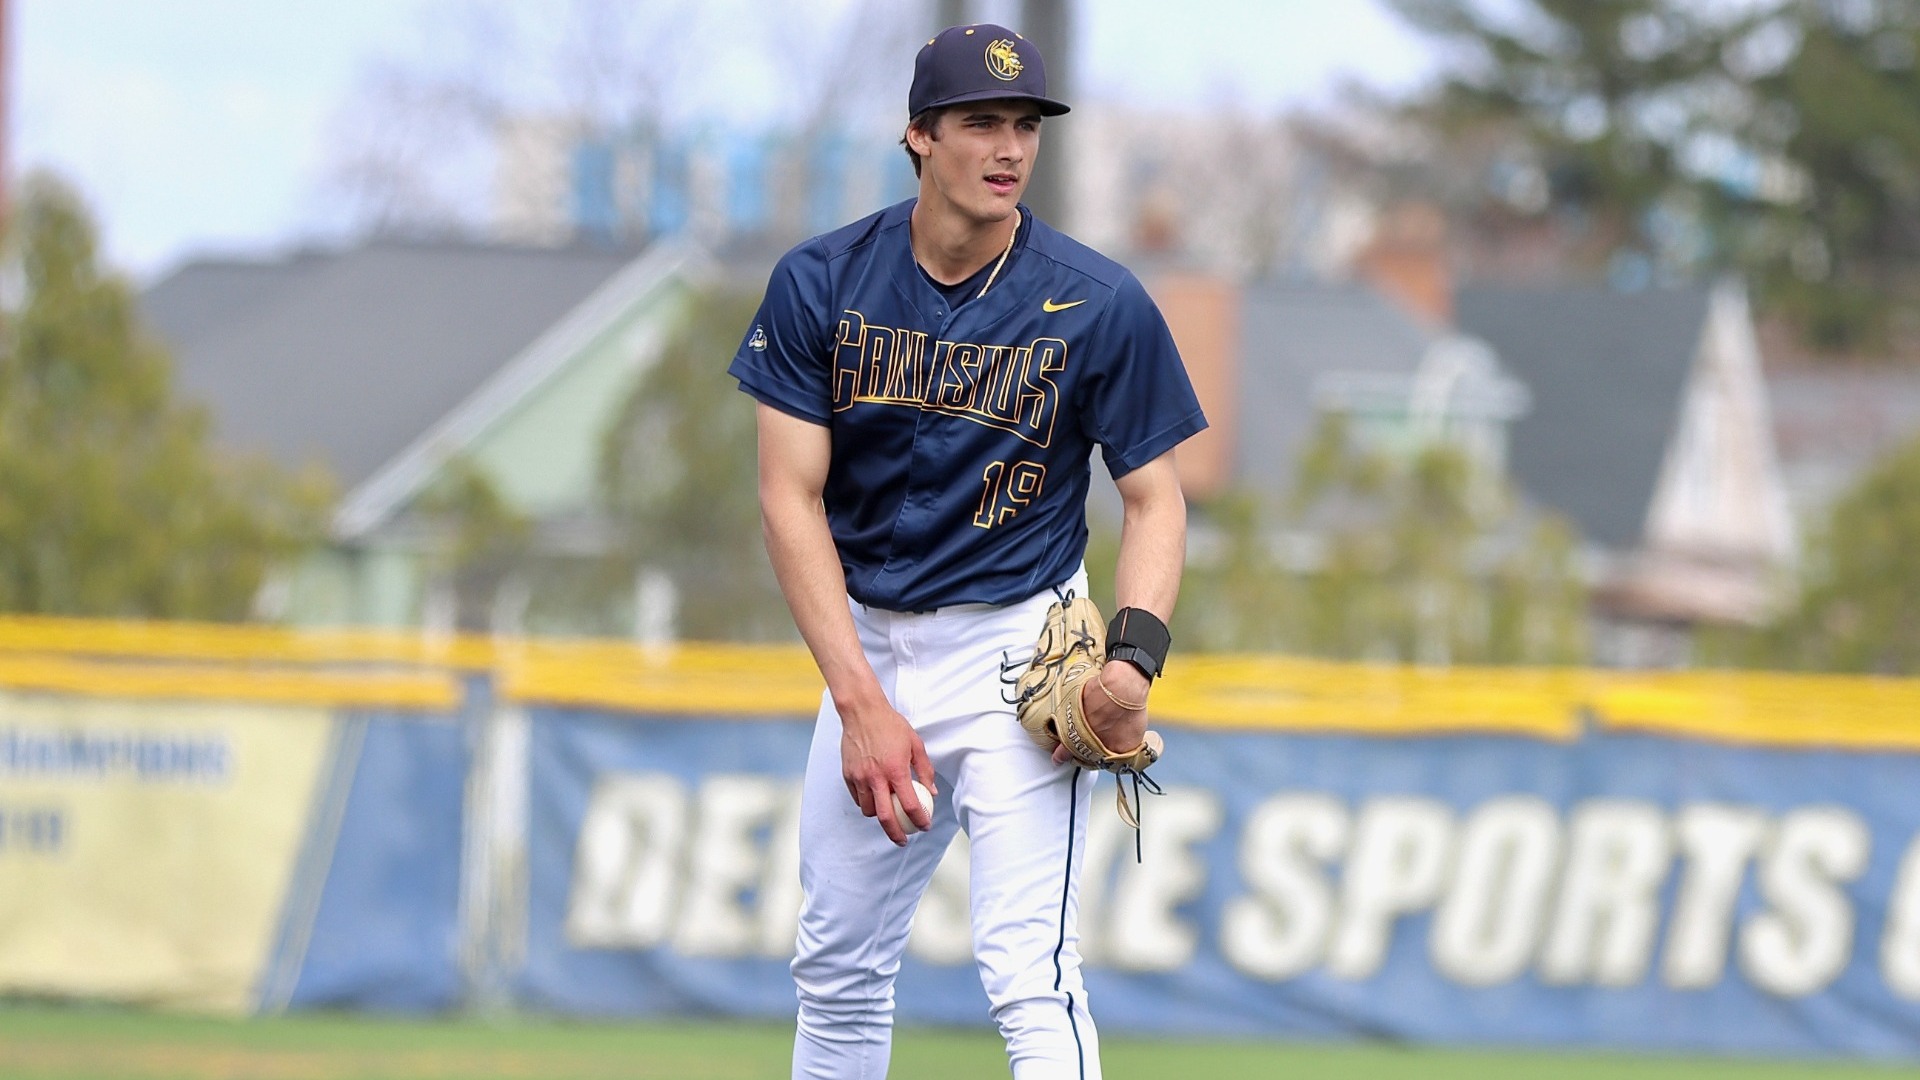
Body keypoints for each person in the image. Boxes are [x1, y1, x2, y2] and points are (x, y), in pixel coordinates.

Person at [730, 21, 1206, 1080]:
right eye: (979, 122)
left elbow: (1156, 500)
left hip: (1015, 649)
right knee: (838, 967)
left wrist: (1130, 662)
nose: (1008, 147)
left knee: (1027, 971)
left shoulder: (1098, 302)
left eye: (1025, 124)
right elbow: (786, 497)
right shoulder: (822, 283)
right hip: (867, 649)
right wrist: (858, 701)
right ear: (918, 136)